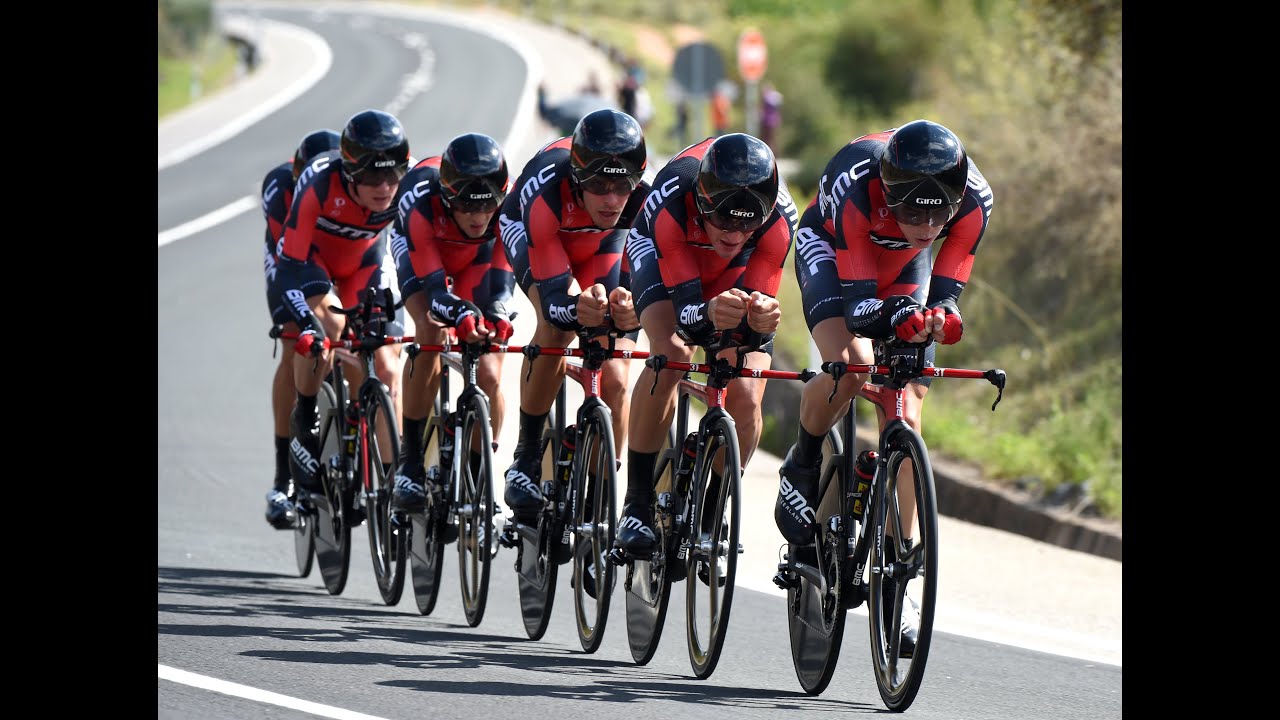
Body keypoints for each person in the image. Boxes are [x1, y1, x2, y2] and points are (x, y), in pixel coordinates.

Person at [780, 119, 993, 656]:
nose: (925, 224)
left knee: (910, 401)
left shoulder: (974, 202)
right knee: (852, 364)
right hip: (833, 252)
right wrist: (897, 314)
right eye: (911, 211)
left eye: (936, 213)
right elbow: (858, 309)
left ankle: (901, 573)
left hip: (902, 266)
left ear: (956, 199)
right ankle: (802, 464)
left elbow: (945, 292)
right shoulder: (856, 185)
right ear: (888, 191)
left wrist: (940, 317)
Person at [616, 132, 798, 556]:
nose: (735, 233)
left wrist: (760, 319)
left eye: (746, 223)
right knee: (672, 353)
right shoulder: (674, 193)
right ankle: (636, 504)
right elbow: (687, 320)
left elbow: (755, 316)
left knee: (748, 390)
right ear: (702, 204)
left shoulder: (777, 220)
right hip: (665, 258)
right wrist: (707, 316)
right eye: (724, 220)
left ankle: (714, 509)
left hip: (732, 274)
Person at [496, 108, 650, 522]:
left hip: (601, 246)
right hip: (539, 237)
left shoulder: (644, 201)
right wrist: (576, 307)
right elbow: (554, 300)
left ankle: (600, 496)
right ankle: (526, 457)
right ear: (577, 176)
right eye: (599, 185)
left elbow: (648, 292)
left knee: (616, 372)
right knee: (556, 327)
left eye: (623, 185)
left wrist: (628, 309)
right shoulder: (548, 189)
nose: (612, 198)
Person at [276, 109, 412, 507]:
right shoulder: (319, 182)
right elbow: (288, 269)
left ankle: (394, 485)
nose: (385, 187)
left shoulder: (405, 186)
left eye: (393, 175)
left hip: (364, 263)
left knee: (387, 367)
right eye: (372, 177)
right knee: (328, 328)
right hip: (314, 261)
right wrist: (305, 323)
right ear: (349, 173)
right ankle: (305, 416)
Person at [387, 133, 516, 513]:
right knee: (431, 328)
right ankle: (410, 462)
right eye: (466, 207)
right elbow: (435, 294)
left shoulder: (507, 209)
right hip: (423, 255)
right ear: (447, 198)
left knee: (491, 373)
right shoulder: (421, 203)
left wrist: (496, 313)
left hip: (477, 260)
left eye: (487, 206)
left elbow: (503, 284)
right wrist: (460, 313)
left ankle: (479, 471)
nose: (478, 217)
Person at [261, 128, 342, 529]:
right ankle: (282, 479)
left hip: (344, 255)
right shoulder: (280, 188)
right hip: (294, 256)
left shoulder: (346, 190)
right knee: (297, 339)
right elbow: (287, 261)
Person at [759, 83, 783, 152]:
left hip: (768, 121)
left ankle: (770, 152)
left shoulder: (767, 98)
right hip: (773, 121)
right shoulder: (776, 97)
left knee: (768, 138)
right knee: (772, 138)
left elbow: (762, 109)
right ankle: (774, 152)